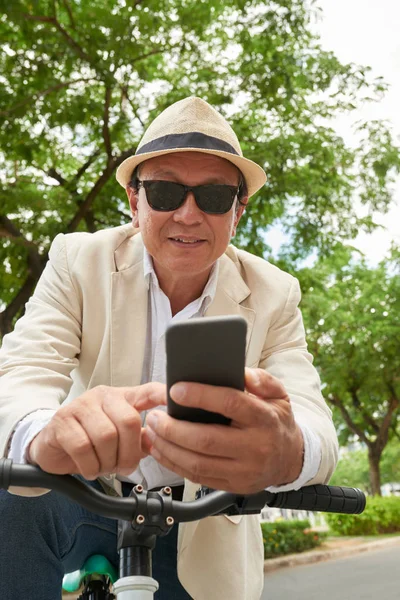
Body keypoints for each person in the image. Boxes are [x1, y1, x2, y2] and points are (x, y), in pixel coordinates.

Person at [0, 96, 338, 600]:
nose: (187, 213)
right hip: (82, 492)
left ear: (238, 212)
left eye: (214, 197)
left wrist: (289, 451)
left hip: (198, 523)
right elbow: (22, 369)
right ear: (135, 203)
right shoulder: (77, 259)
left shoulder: (276, 293)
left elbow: (313, 422)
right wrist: (43, 436)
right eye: (163, 191)